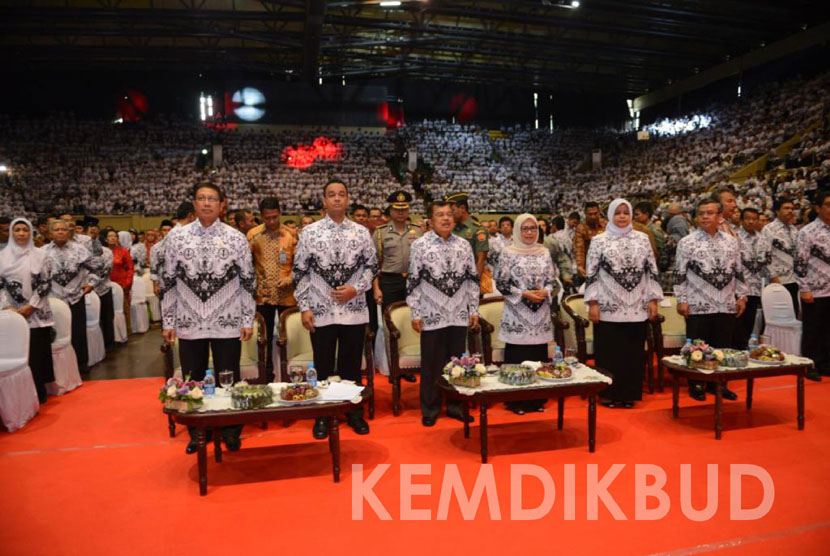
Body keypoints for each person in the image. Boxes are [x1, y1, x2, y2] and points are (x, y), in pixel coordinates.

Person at [162, 183, 256, 454]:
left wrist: (247, 318)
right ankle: (197, 431)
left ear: (222, 204)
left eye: (212, 199)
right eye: (201, 198)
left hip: (227, 320)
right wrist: (168, 321)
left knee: (229, 376)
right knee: (193, 378)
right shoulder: (177, 239)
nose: (206, 203)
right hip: (190, 322)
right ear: (193, 203)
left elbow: (248, 281)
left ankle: (230, 429)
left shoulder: (236, 237)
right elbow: (169, 282)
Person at [293, 179, 377, 439]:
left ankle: (353, 412)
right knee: (323, 364)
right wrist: (304, 307)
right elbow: (299, 271)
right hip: (320, 309)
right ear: (324, 201)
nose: (337, 199)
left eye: (342, 194)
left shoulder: (361, 232)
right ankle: (323, 414)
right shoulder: (310, 233)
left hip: (353, 308)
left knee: (352, 365)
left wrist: (357, 288)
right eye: (332, 195)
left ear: (348, 199)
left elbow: (372, 266)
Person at [407, 200, 479, 427]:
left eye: (449, 214)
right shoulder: (420, 245)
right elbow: (413, 281)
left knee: (458, 362)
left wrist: (473, 308)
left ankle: (456, 406)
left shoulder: (464, 245)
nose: (446, 218)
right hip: (431, 313)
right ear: (430, 220)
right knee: (431, 364)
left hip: (458, 313)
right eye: (440, 215)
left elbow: (472, 279)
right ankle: (430, 408)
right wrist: (415, 312)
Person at [585, 200, 662, 408]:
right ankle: (609, 394)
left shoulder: (643, 239)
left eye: (625, 212)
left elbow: (651, 270)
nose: (621, 216)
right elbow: (591, 273)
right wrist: (593, 303)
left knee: (633, 352)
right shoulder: (599, 241)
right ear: (610, 215)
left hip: (637, 305)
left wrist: (653, 299)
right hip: (608, 304)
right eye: (617, 213)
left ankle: (629, 394)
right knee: (610, 352)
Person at [674, 198, 747, 402]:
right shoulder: (687, 242)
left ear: (720, 216)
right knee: (698, 347)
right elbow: (679, 274)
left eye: (710, 213)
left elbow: (739, 271)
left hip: (726, 303)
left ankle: (719, 384)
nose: (705, 217)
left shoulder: (731, 241)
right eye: (701, 213)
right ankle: (696, 384)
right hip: (698, 303)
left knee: (723, 346)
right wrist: (682, 299)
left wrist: (741, 295)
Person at [495, 213, 559, 414]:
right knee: (518, 356)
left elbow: (552, 280)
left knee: (538, 355)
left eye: (533, 228)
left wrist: (545, 291)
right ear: (517, 230)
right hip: (517, 313)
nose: (530, 232)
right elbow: (501, 283)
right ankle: (516, 401)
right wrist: (523, 294)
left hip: (540, 313)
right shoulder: (508, 252)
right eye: (525, 228)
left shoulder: (544, 252)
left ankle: (536, 400)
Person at [0, 218, 55, 403]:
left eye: (25, 230)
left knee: (36, 354)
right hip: (12, 313)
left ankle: (38, 393)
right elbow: (2, 286)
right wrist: (8, 308)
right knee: (18, 352)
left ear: (31, 232)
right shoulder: (2, 257)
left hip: (36, 312)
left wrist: (31, 306)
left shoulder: (41, 255)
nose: (21, 233)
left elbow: (45, 283)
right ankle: (18, 396)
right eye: (17, 230)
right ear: (11, 233)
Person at [372, 191, 422, 383]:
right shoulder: (380, 232)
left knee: (411, 321)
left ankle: (406, 366)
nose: (401, 213)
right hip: (389, 281)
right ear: (390, 210)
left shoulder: (417, 231)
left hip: (412, 281)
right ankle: (393, 367)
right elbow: (373, 264)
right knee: (390, 324)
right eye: (396, 209)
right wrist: (376, 288)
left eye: (404, 209)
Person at [42, 219, 100, 374]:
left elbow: (96, 267)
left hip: (75, 296)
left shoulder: (79, 249)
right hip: (52, 299)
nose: (60, 232)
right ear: (50, 233)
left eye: (63, 229)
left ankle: (81, 365)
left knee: (78, 332)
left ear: (69, 232)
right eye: (56, 230)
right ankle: (56, 369)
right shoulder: (42, 251)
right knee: (55, 334)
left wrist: (91, 283)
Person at [250, 197, 297, 381]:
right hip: (263, 295)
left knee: (289, 335)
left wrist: (290, 277)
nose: (271, 222)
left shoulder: (291, 235)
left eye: (274, 217)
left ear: (280, 213)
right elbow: (247, 265)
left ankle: (290, 373)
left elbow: (301, 263)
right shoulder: (253, 235)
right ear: (261, 216)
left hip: (287, 294)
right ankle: (266, 374)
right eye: (267, 218)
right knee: (265, 337)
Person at [795, 190, 830, 382]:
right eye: (828, 205)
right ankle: (810, 365)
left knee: (828, 331)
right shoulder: (807, 232)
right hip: (814, 291)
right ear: (818, 208)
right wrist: (804, 288)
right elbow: (800, 262)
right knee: (813, 330)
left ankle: (826, 364)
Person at [735, 208, 770, 349]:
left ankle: (744, 347)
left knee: (750, 320)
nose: (751, 221)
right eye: (747, 218)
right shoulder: (735, 236)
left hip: (756, 286)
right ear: (742, 220)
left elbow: (767, 259)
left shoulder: (762, 238)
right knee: (738, 320)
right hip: (739, 286)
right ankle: (735, 348)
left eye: (754, 219)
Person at [762, 198, 800, 314]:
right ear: (777, 211)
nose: (790, 211)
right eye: (786, 208)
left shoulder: (794, 230)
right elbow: (762, 255)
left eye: (792, 209)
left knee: (794, 314)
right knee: (777, 319)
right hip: (778, 280)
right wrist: (773, 277)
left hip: (794, 280)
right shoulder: (769, 229)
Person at [445, 192, 489, 290]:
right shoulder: (451, 229)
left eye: (452, 211)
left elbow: (481, 260)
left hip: (469, 281)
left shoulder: (478, 230)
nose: (449, 215)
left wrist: (474, 285)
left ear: (463, 208)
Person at [574, 201, 606, 278]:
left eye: (595, 213)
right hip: (590, 265)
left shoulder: (606, 224)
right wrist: (580, 266)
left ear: (599, 212)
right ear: (585, 213)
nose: (593, 216)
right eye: (590, 214)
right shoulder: (581, 228)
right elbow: (579, 249)